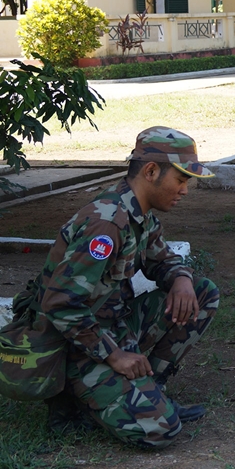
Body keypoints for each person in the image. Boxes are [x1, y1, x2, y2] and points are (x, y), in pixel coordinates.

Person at [16, 127, 219, 446]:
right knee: (160, 430)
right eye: (180, 180)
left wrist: (180, 278)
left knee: (202, 291)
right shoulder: (107, 224)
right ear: (151, 172)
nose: (185, 190)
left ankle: (151, 389)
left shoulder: (139, 214)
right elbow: (60, 303)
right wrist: (115, 357)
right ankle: (72, 398)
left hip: (112, 324)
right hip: (73, 345)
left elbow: (161, 258)